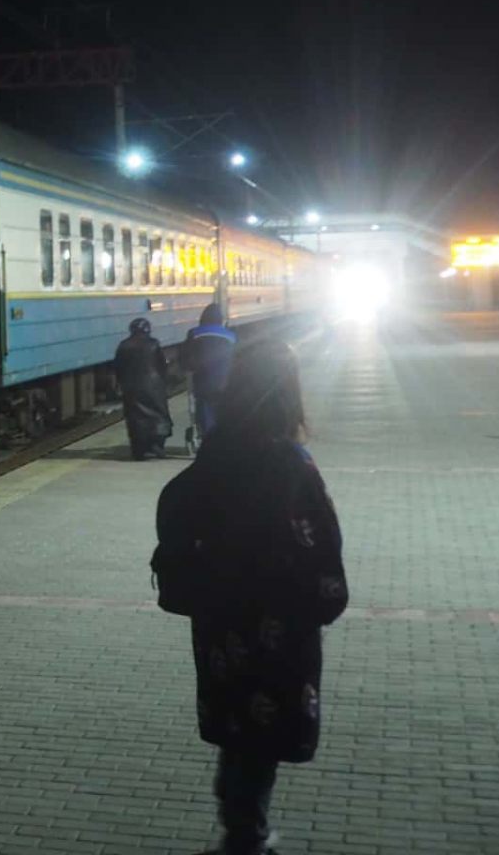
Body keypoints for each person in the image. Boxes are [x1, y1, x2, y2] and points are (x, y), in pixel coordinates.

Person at [152, 341, 348, 855]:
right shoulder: (290, 463)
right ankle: (246, 838)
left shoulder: (216, 452)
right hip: (277, 626)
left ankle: (241, 829)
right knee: (261, 737)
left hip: (221, 624)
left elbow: (179, 518)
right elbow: (321, 547)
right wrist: (322, 602)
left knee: (239, 735)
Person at [114, 316, 175, 459]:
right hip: (154, 387)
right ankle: (157, 445)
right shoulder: (154, 344)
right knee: (158, 414)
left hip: (131, 388)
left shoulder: (123, 345)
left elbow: (118, 367)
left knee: (135, 417)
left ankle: (138, 449)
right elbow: (162, 365)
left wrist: (120, 384)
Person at [184, 302, 237, 439]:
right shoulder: (231, 336)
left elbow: (187, 357)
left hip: (203, 381)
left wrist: (188, 368)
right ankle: (222, 434)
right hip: (224, 381)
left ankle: (207, 435)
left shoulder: (194, 334)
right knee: (222, 407)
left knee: (204, 407)